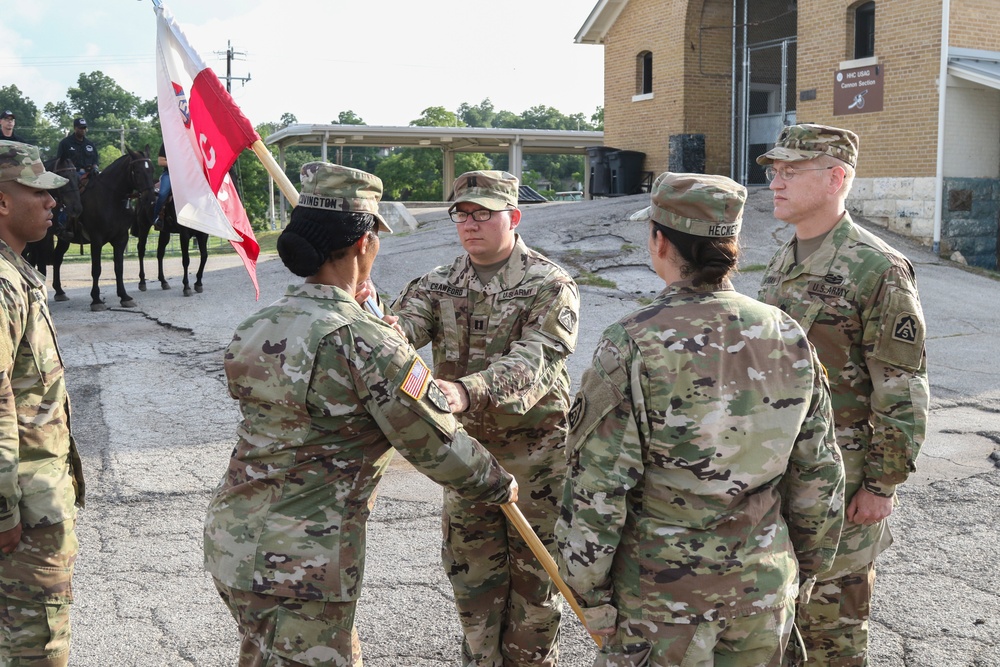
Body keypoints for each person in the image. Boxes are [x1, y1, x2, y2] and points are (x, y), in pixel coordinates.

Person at [203, 162, 518, 667]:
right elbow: (437, 445)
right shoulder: (363, 341)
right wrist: (497, 482)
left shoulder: (258, 324)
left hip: (234, 542)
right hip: (303, 563)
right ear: (364, 243)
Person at [555, 172, 846, 665]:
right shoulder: (787, 333)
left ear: (659, 240)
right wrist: (806, 569)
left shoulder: (634, 342)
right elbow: (819, 473)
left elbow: (598, 486)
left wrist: (587, 592)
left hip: (663, 603)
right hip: (763, 592)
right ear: (732, 245)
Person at [388, 170, 579, 667]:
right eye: (462, 214)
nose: (470, 224)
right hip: (468, 461)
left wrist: (467, 390)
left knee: (535, 592)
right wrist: (379, 324)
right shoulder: (438, 283)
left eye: (483, 214)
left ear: (512, 217)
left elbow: (537, 359)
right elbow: (400, 336)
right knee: (473, 588)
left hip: (536, 462)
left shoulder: (549, 284)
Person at [756, 124, 930, 666]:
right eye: (773, 171)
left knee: (833, 637)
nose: (775, 183)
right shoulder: (786, 258)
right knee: (779, 626)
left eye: (791, 172)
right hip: (782, 473)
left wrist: (881, 484)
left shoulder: (876, 268)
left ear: (836, 178)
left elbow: (902, 389)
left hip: (845, 482)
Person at [0, 140, 86, 666]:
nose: (53, 202)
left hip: (26, 501)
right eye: (39, 191)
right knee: (36, 647)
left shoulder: (15, 273)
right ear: (3, 203)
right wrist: (4, 511)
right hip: (23, 512)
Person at [152, 143, 170, 229]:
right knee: (162, 194)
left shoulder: (191, 141)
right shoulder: (167, 142)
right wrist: (177, 163)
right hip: (170, 174)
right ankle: (156, 218)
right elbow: (160, 161)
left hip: (188, 174)